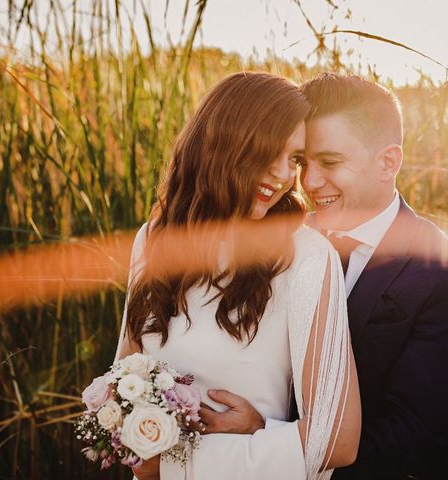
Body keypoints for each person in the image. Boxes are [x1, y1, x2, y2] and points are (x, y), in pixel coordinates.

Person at [213, 73, 448, 480]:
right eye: (301, 162)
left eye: (329, 162)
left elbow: (408, 439)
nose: (308, 183)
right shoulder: (277, 238)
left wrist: (265, 436)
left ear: (388, 161)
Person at [115, 71, 361, 479]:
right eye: (270, 151)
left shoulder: (306, 257)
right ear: (224, 142)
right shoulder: (152, 239)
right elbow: (123, 379)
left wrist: (181, 464)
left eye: (295, 159)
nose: (285, 175)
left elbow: (337, 438)